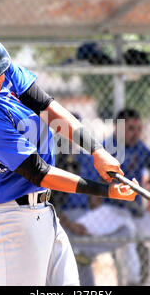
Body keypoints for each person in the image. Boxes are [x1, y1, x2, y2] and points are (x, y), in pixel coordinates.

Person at [0, 23, 137, 286]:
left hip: (40, 211)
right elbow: (39, 173)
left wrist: (97, 150)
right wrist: (107, 192)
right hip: (7, 222)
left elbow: (45, 106)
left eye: (0, 69)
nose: (0, 77)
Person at [75, 109, 150, 286]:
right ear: (117, 128)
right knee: (127, 238)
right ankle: (131, 282)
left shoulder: (139, 147)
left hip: (135, 211)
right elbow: (93, 188)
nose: (136, 133)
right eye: (131, 129)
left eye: (138, 129)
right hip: (112, 210)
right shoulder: (104, 149)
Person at [51, 113, 136, 286]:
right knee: (77, 269)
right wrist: (71, 224)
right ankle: (82, 251)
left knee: (126, 229)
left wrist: (97, 216)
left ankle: (85, 252)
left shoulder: (87, 159)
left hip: (86, 216)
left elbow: (94, 198)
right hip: (62, 218)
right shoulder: (51, 159)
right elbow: (51, 202)